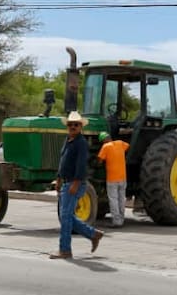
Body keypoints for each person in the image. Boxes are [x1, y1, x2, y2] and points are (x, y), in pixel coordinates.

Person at [50, 111, 104, 259]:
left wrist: (76, 182)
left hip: (74, 183)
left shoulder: (81, 143)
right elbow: (63, 162)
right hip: (65, 182)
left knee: (66, 217)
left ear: (81, 127)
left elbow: (81, 165)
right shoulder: (68, 140)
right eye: (70, 124)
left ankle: (65, 249)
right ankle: (93, 234)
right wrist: (59, 179)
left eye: (76, 124)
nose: (72, 127)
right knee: (67, 216)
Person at [97, 132, 131, 227]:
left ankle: (116, 222)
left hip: (112, 179)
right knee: (121, 199)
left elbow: (99, 161)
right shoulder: (120, 143)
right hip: (123, 178)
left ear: (103, 140)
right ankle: (121, 219)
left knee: (113, 200)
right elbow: (128, 146)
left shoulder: (105, 147)